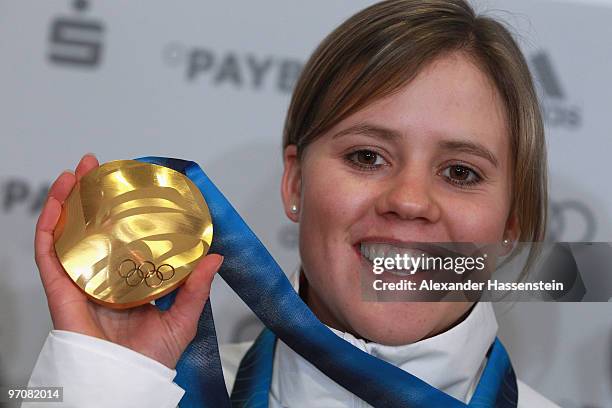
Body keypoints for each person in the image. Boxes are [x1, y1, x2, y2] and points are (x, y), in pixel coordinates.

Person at [26, 0, 559, 406]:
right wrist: (106, 377)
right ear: (295, 184)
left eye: (460, 172)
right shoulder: (147, 391)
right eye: (368, 157)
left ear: (512, 221)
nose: (410, 200)